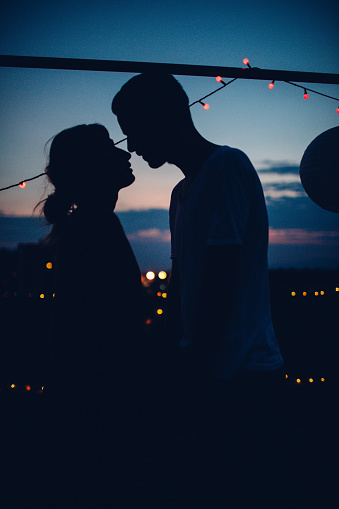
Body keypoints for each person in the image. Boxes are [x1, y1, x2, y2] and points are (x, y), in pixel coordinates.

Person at [112, 74, 285, 506]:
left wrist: (194, 378)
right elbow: (187, 286)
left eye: (134, 131)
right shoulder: (180, 194)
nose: (131, 146)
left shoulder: (226, 166)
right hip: (210, 371)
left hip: (241, 373)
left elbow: (221, 279)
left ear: (165, 117)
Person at [37, 124, 145, 508]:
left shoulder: (87, 225)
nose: (126, 154)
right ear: (90, 167)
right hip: (101, 423)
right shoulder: (95, 227)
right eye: (111, 149)